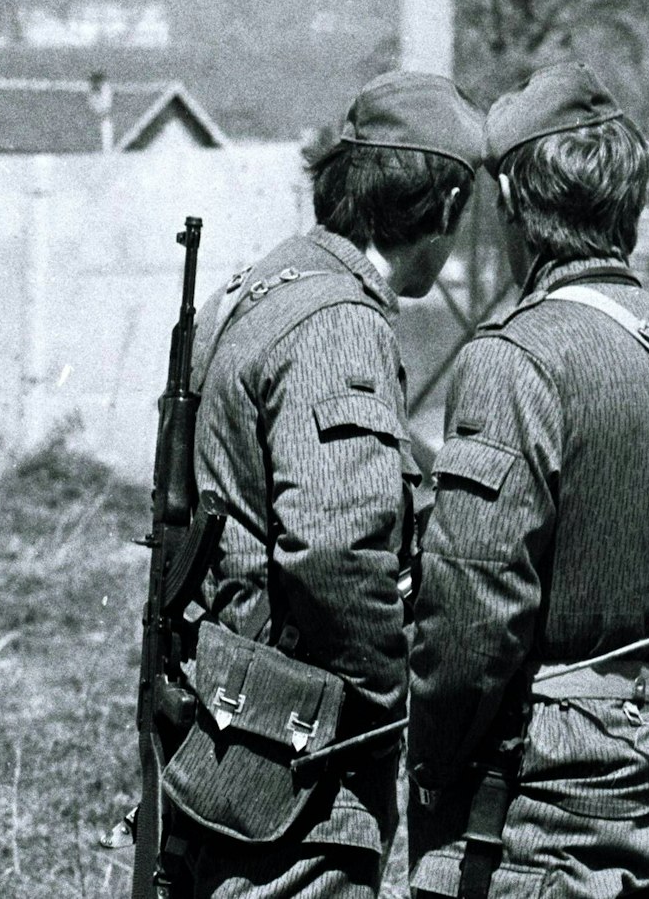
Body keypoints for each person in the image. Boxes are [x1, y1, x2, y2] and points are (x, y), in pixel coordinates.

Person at [407, 61, 649, 899]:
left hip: (528, 812)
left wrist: (431, 763)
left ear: (517, 205)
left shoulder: (513, 362)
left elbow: (474, 618)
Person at [160, 70, 484, 899]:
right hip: (298, 759)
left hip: (225, 725)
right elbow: (336, 552)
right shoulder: (339, 322)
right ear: (444, 205)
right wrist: (395, 698)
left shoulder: (264, 285)